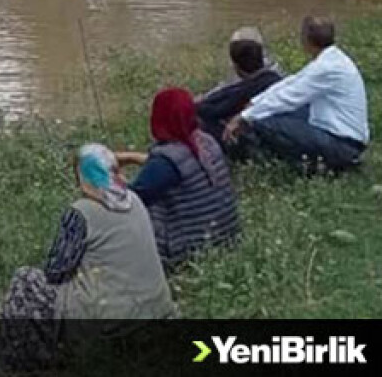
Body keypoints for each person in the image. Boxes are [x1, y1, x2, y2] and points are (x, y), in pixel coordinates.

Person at [0, 144, 175, 369]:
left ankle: (25, 361)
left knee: (25, 280)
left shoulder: (81, 212)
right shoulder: (134, 199)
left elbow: (56, 271)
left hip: (110, 324)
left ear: (84, 177)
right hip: (157, 313)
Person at [225, 16, 369, 173]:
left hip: (342, 144)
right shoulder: (331, 59)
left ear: (306, 41)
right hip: (340, 133)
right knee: (272, 112)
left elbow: (288, 97)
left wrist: (245, 117)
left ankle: (292, 164)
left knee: (263, 122)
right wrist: (255, 102)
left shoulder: (326, 68)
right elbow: (291, 83)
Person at [119, 88, 241, 268]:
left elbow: (130, 200)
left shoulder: (166, 162)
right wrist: (132, 157)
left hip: (188, 249)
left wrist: (113, 178)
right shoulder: (208, 142)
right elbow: (184, 165)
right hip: (226, 236)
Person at [195, 37, 282, 146]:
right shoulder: (274, 77)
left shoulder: (247, 89)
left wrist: (198, 104)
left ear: (236, 66)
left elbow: (216, 110)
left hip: (252, 137)